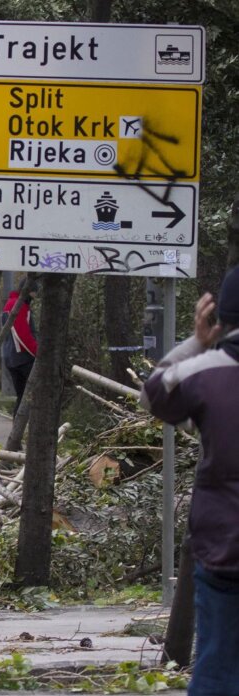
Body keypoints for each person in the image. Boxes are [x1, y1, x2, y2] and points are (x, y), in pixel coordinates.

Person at [140, 267, 239, 694]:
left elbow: (154, 394)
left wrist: (199, 339)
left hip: (224, 546)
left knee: (216, 665)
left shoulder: (204, 372)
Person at [1, 289, 37, 415]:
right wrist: (37, 352)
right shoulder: (19, 305)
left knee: (21, 395)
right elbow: (22, 334)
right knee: (29, 396)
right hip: (22, 358)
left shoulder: (9, 303)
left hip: (10, 357)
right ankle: (23, 429)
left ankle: (18, 429)